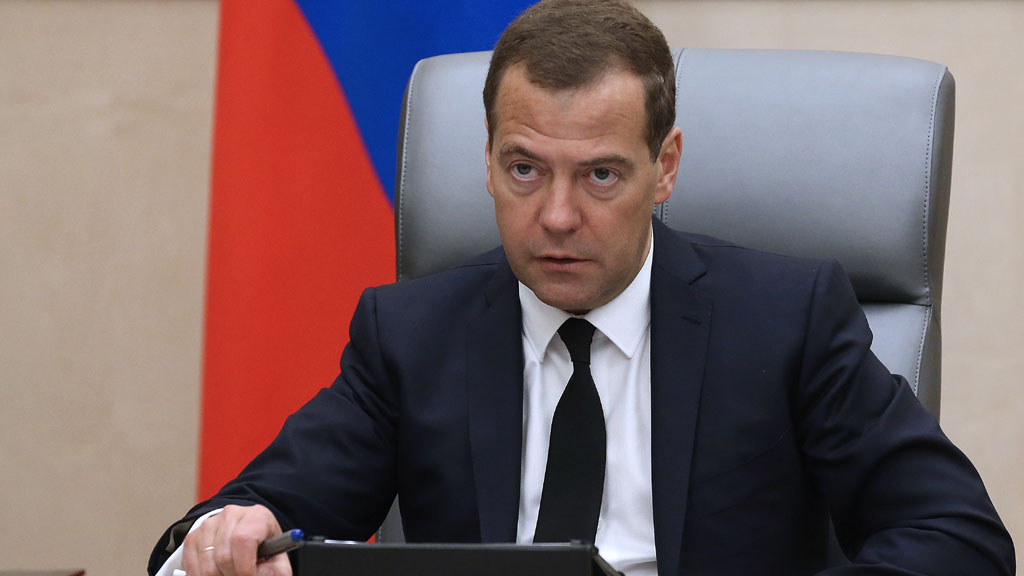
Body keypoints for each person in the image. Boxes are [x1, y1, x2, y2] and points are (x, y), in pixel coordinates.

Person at [149, 1, 1015, 575]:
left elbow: (959, 539)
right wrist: (227, 538)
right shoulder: (411, 333)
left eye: (600, 175)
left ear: (664, 166)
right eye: (524, 169)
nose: (557, 217)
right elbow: (221, 529)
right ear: (487, 160)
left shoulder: (786, 319)